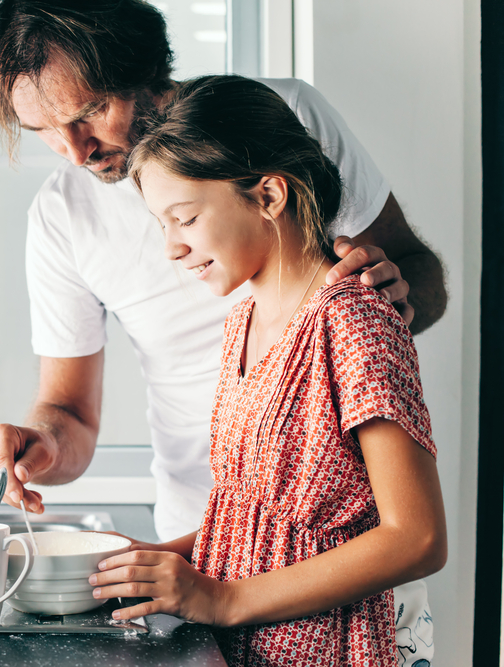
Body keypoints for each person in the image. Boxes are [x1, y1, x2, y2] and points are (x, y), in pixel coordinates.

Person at [0, 0, 445, 661]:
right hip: (212, 555)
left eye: (85, 113)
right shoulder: (234, 316)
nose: (73, 150)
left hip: (330, 592)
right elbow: (73, 414)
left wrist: (387, 307)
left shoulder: (283, 123)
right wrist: (48, 451)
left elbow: (414, 534)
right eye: (44, 130)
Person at [87, 74, 447, 665]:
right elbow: (252, 520)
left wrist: (223, 600)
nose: (172, 249)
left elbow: (418, 537)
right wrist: (149, 562)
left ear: (269, 197)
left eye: (185, 218)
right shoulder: (242, 324)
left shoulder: (354, 320)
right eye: (162, 226)